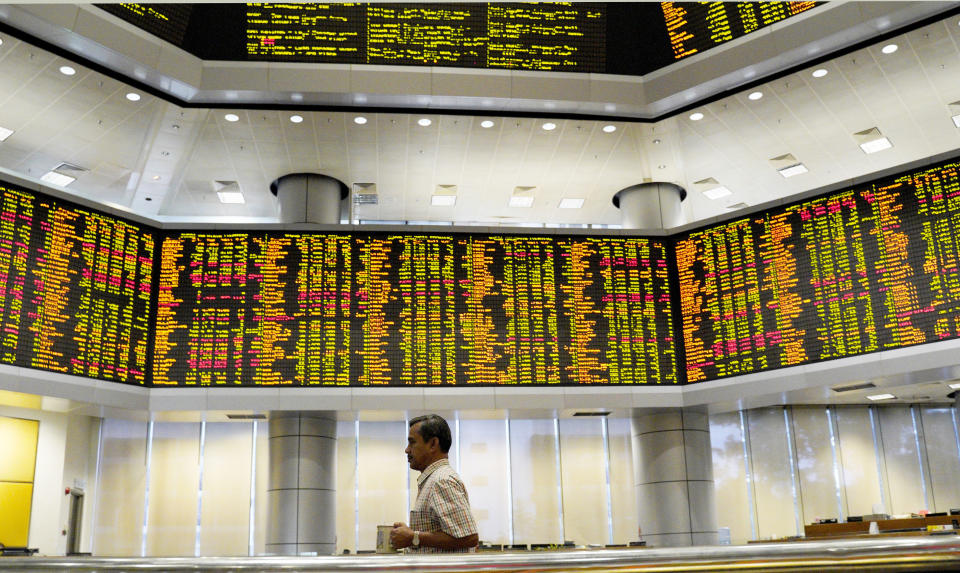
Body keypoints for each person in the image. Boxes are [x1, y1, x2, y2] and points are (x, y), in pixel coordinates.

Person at [391, 414, 479, 553]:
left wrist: (413, 537)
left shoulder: (442, 481)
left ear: (433, 444)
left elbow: (469, 537)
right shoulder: (433, 480)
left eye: (412, 442)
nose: (407, 450)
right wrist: (410, 535)